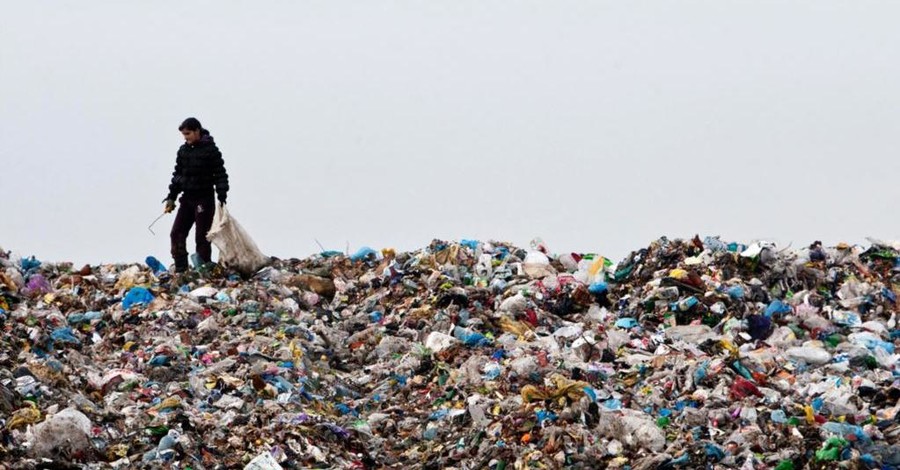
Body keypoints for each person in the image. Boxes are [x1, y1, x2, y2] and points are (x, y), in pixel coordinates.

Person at [163, 117, 229, 273]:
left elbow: (220, 174)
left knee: (202, 237)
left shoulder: (210, 150)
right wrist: (171, 196)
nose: (186, 138)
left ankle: (203, 268)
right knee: (177, 233)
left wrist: (222, 194)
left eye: (188, 134)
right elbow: (177, 175)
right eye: (184, 135)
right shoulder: (183, 151)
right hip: (187, 198)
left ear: (197, 131)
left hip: (204, 199)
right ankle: (181, 269)